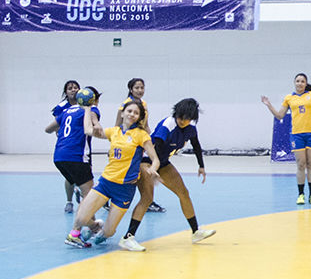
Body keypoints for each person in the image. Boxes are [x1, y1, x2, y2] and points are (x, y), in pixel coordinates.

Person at [119, 98, 215, 251]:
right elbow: (154, 149)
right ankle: (127, 237)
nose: (183, 121)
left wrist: (201, 166)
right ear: (176, 113)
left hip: (163, 162)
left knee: (184, 193)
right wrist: (153, 170)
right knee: (147, 198)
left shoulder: (190, 127)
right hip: (145, 161)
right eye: (180, 117)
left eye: (187, 119)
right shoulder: (168, 125)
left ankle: (196, 232)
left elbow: (196, 144)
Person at [65, 100, 160, 248]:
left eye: (136, 113)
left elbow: (155, 159)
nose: (132, 114)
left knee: (109, 232)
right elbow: (88, 130)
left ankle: (99, 235)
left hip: (125, 189)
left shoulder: (141, 135)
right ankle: (85, 230)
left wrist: (153, 169)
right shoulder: (114, 131)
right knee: (82, 218)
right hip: (106, 183)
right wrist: (87, 110)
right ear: (122, 113)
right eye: (129, 111)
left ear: (139, 117)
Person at [261, 73, 311, 205]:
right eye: (297, 81)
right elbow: (280, 115)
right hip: (296, 134)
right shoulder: (289, 98)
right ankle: (301, 194)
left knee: (310, 164)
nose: (300, 83)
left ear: (305, 83)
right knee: (301, 165)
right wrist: (269, 105)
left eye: (302, 81)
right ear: (294, 83)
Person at [45, 86, 103, 231]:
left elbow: (48, 129)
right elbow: (94, 126)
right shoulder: (91, 109)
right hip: (76, 157)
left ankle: (93, 228)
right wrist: (98, 128)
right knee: (89, 196)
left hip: (59, 156)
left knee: (87, 193)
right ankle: (77, 232)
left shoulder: (66, 111)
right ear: (93, 100)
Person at [112, 78, 165, 213]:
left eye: (142, 87)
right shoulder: (124, 105)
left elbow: (145, 125)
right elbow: (117, 126)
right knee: (123, 170)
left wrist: (151, 141)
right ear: (130, 89)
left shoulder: (144, 104)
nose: (140, 90)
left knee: (143, 171)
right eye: (137, 88)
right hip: (128, 144)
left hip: (140, 142)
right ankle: (106, 196)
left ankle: (148, 200)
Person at [51, 80, 81, 213]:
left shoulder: (85, 105)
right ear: (66, 92)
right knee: (69, 176)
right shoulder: (62, 107)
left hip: (81, 144)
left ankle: (81, 191)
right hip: (67, 146)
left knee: (84, 173)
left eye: (76, 88)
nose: (73, 90)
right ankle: (69, 201)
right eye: (70, 88)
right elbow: (55, 126)